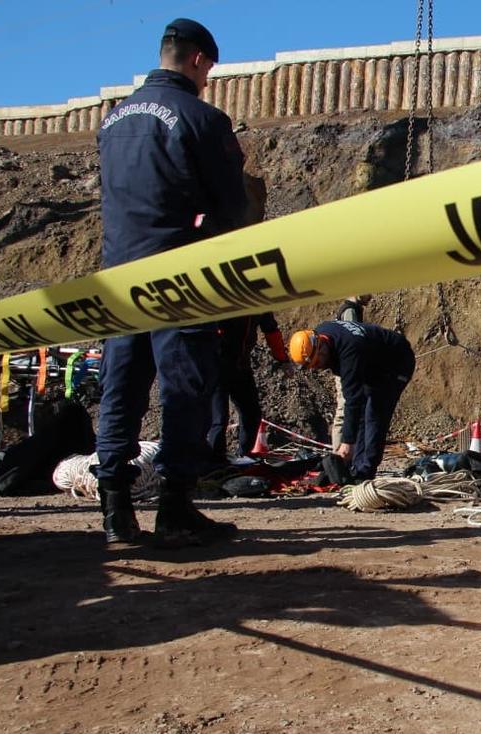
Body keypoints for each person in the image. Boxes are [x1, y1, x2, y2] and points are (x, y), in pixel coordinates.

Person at [93, 18, 246, 548]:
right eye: (210, 70)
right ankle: (175, 508)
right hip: (179, 277)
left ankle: (115, 511)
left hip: (119, 278)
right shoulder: (202, 118)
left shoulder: (111, 122)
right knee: (184, 389)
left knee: (121, 389)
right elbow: (232, 209)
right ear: (199, 60)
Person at [288, 320, 415, 482]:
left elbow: (353, 400)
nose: (319, 368)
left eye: (318, 363)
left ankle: (365, 472)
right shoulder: (322, 332)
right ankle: (356, 466)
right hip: (372, 364)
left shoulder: (349, 353)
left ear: (320, 348)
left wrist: (347, 442)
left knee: (375, 412)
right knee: (363, 414)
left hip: (397, 361)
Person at [208, 313, 288, 462]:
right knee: (219, 419)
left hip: (240, 366)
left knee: (252, 414)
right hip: (217, 367)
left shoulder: (260, 305)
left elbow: (270, 329)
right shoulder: (227, 304)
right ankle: (214, 462)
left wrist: (282, 358)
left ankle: (244, 457)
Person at [331, 294, 373, 449]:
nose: (371, 296)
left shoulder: (351, 309)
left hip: (345, 369)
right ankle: (339, 455)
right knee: (345, 410)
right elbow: (353, 342)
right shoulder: (350, 311)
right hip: (346, 370)